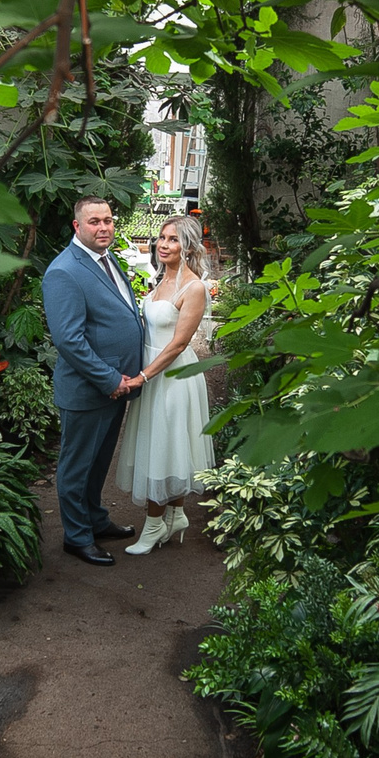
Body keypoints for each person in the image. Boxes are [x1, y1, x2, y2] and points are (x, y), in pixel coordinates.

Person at [41, 196, 148, 567]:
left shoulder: (105, 258)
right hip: (91, 389)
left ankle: (96, 520)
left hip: (117, 385)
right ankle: (77, 537)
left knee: (99, 462)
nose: (103, 228)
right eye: (94, 222)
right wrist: (109, 379)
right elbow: (69, 340)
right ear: (77, 226)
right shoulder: (64, 271)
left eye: (108, 220)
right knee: (76, 466)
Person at [114, 214, 216, 554]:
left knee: (164, 447)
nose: (162, 244)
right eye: (161, 237)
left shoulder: (194, 287)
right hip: (153, 373)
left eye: (172, 239)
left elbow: (178, 344)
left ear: (187, 246)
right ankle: (176, 515)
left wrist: (143, 376)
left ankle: (154, 525)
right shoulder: (160, 282)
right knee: (165, 445)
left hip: (172, 378)